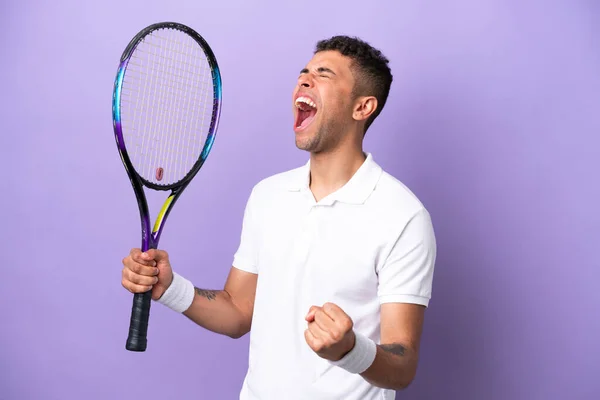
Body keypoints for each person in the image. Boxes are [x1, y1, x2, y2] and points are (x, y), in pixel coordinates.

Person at [121, 35, 437, 400]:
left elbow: (403, 364)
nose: (304, 80)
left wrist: (351, 350)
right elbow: (238, 312)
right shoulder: (268, 196)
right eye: (304, 72)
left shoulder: (402, 216)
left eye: (324, 74)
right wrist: (170, 288)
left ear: (362, 107)